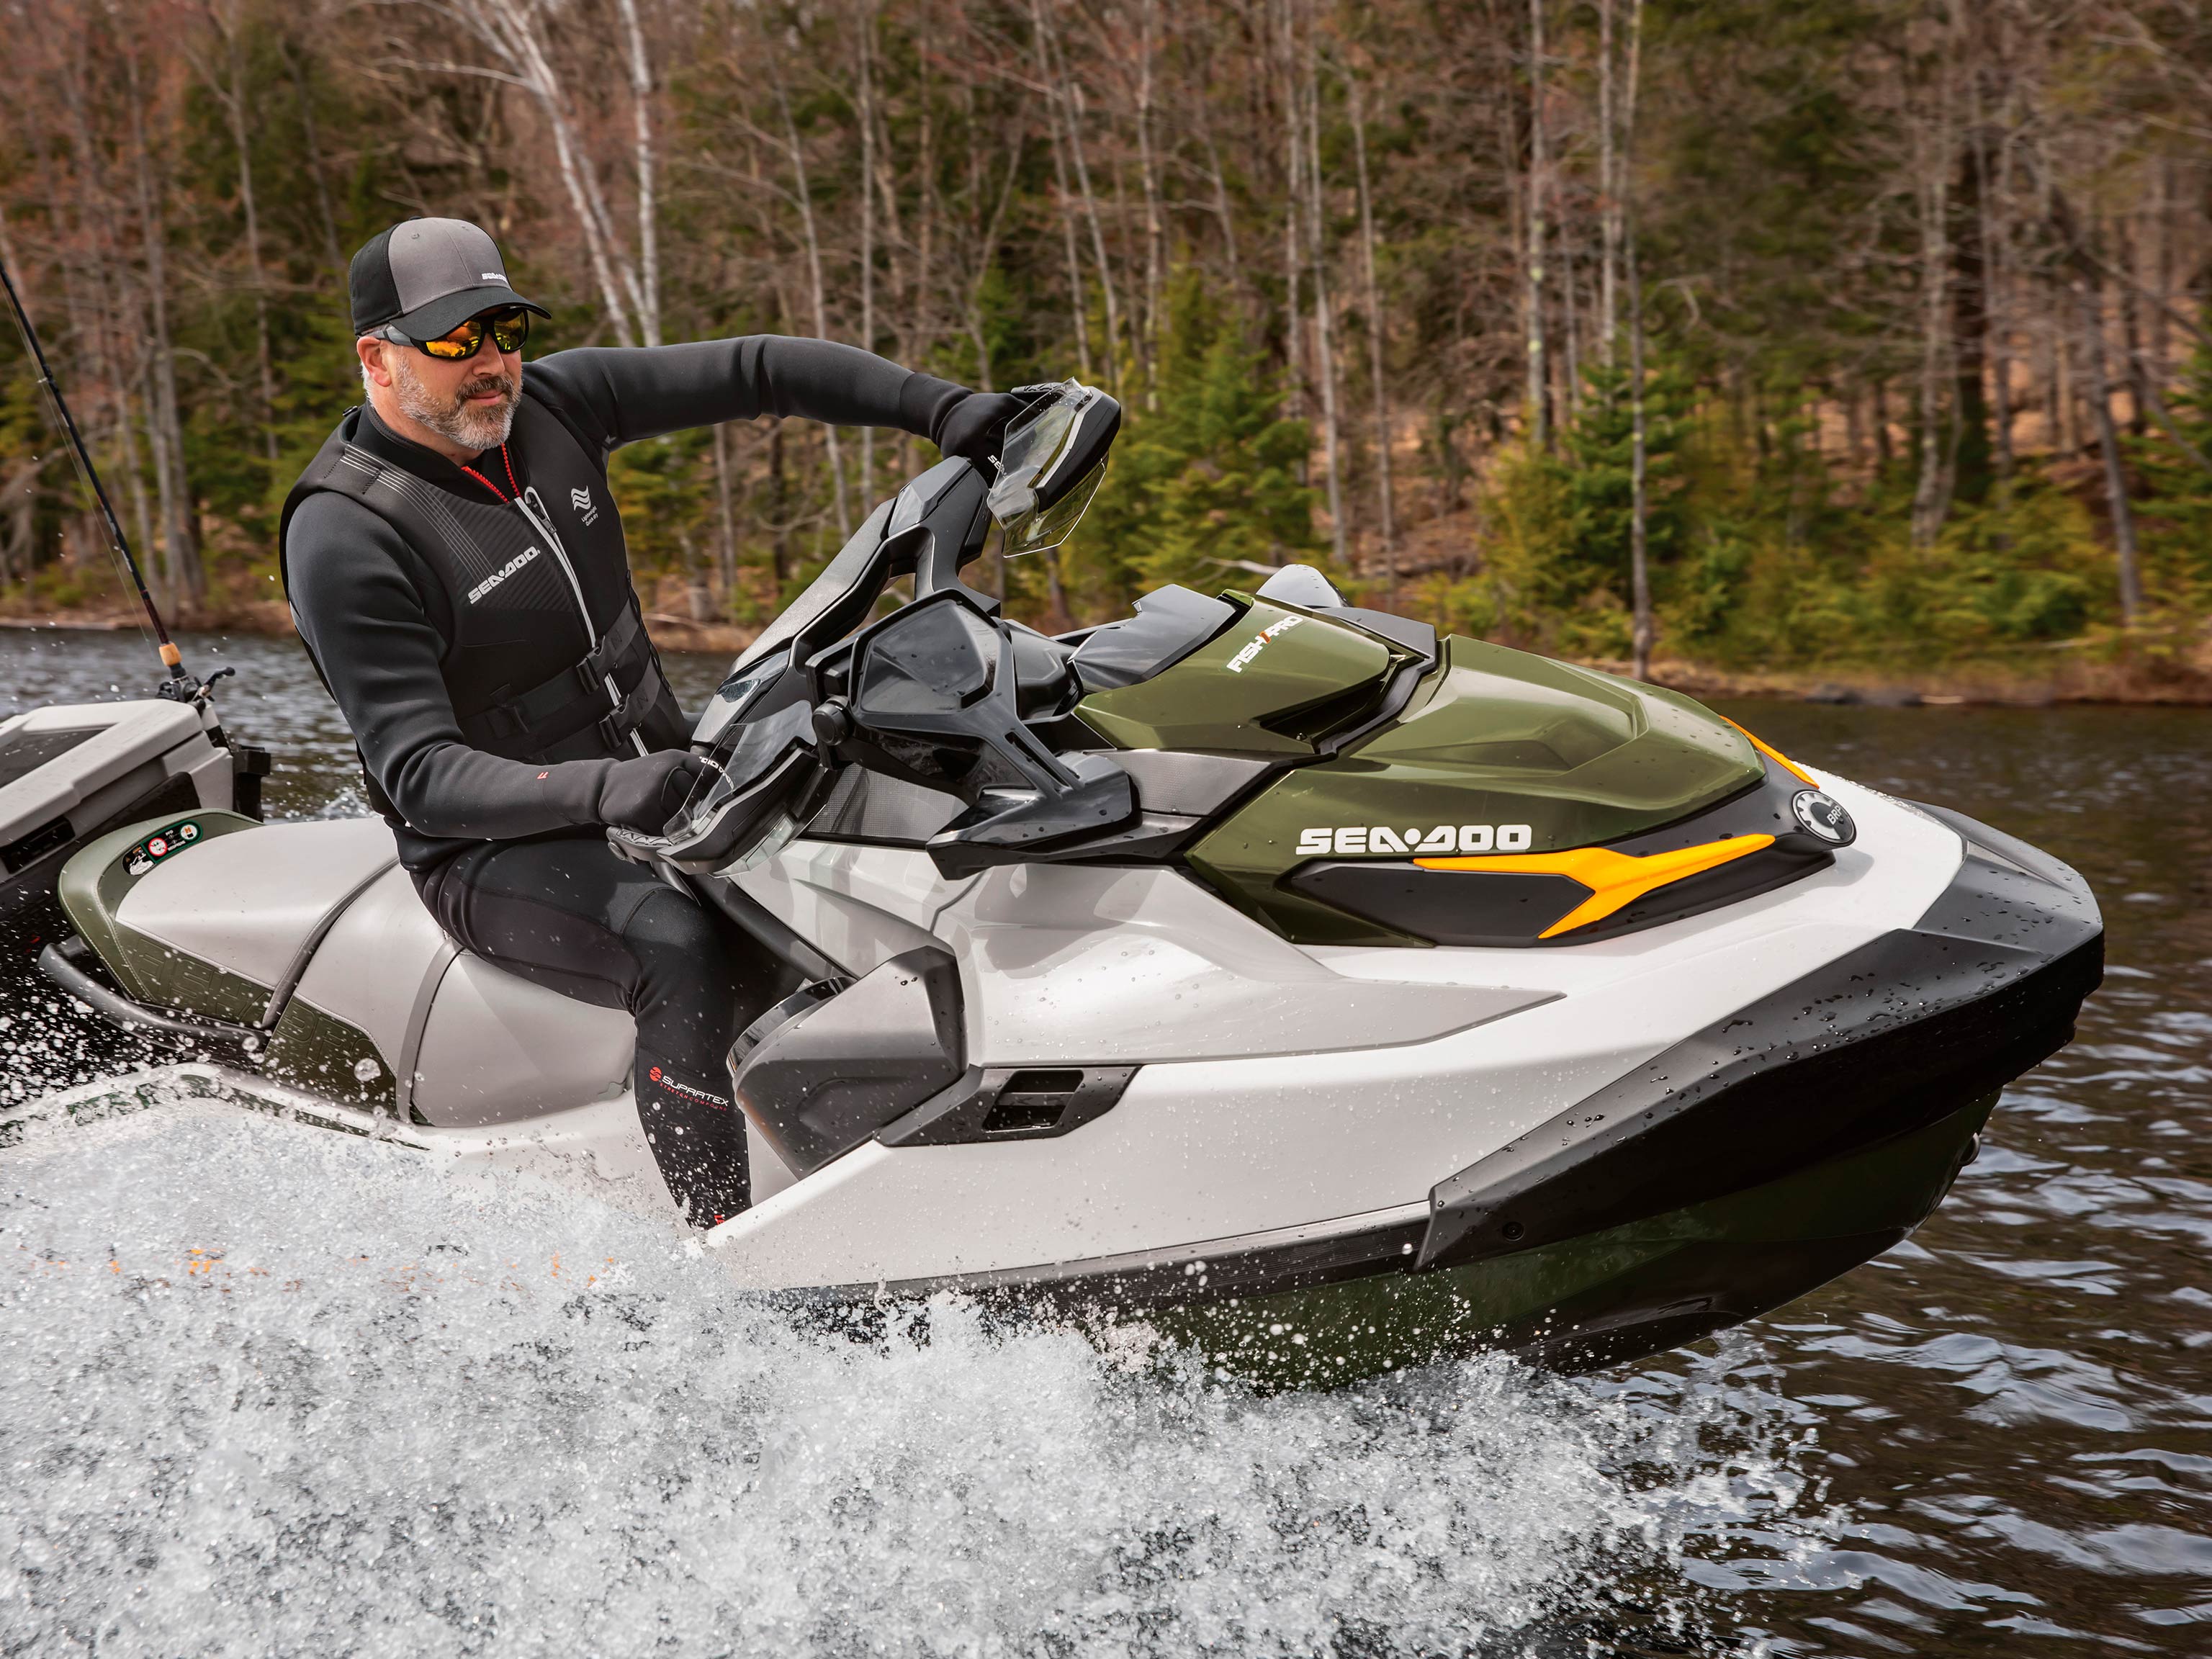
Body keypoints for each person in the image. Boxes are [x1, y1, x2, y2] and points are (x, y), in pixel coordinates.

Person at [279, 217, 1025, 1228]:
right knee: (680, 944)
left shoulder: (558, 407)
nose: (494, 364)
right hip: (493, 851)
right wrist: (605, 789)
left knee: (887, 824)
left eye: (504, 328)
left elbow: (761, 368)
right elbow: (419, 773)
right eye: (457, 342)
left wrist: (948, 410)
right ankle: (718, 1268)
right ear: (378, 355)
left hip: (670, 784)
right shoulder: (347, 533)